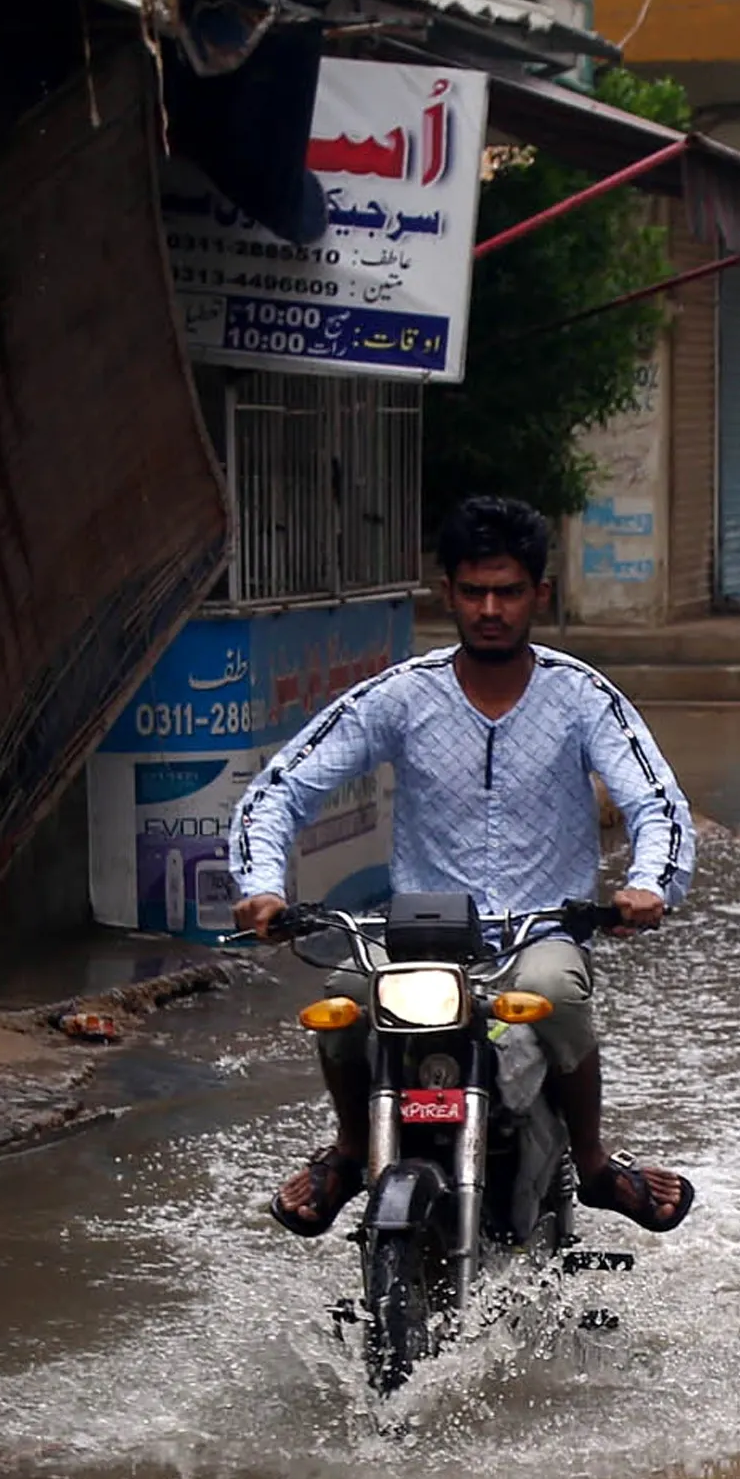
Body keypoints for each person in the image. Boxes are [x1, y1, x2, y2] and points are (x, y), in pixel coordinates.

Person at [228, 495, 698, 1239]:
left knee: (555, 985)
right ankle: (353, 1152)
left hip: (541, 932)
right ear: (445, 592)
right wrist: (260, 890)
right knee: (345, 995)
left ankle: (596, 1162)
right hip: (419, 940)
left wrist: (649, 885)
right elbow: (281, 789)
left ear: (538, 596)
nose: (489, 609)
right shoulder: (402, 697)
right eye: (473, 591)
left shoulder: (581, 698)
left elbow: (656, 803)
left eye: (508, 592)